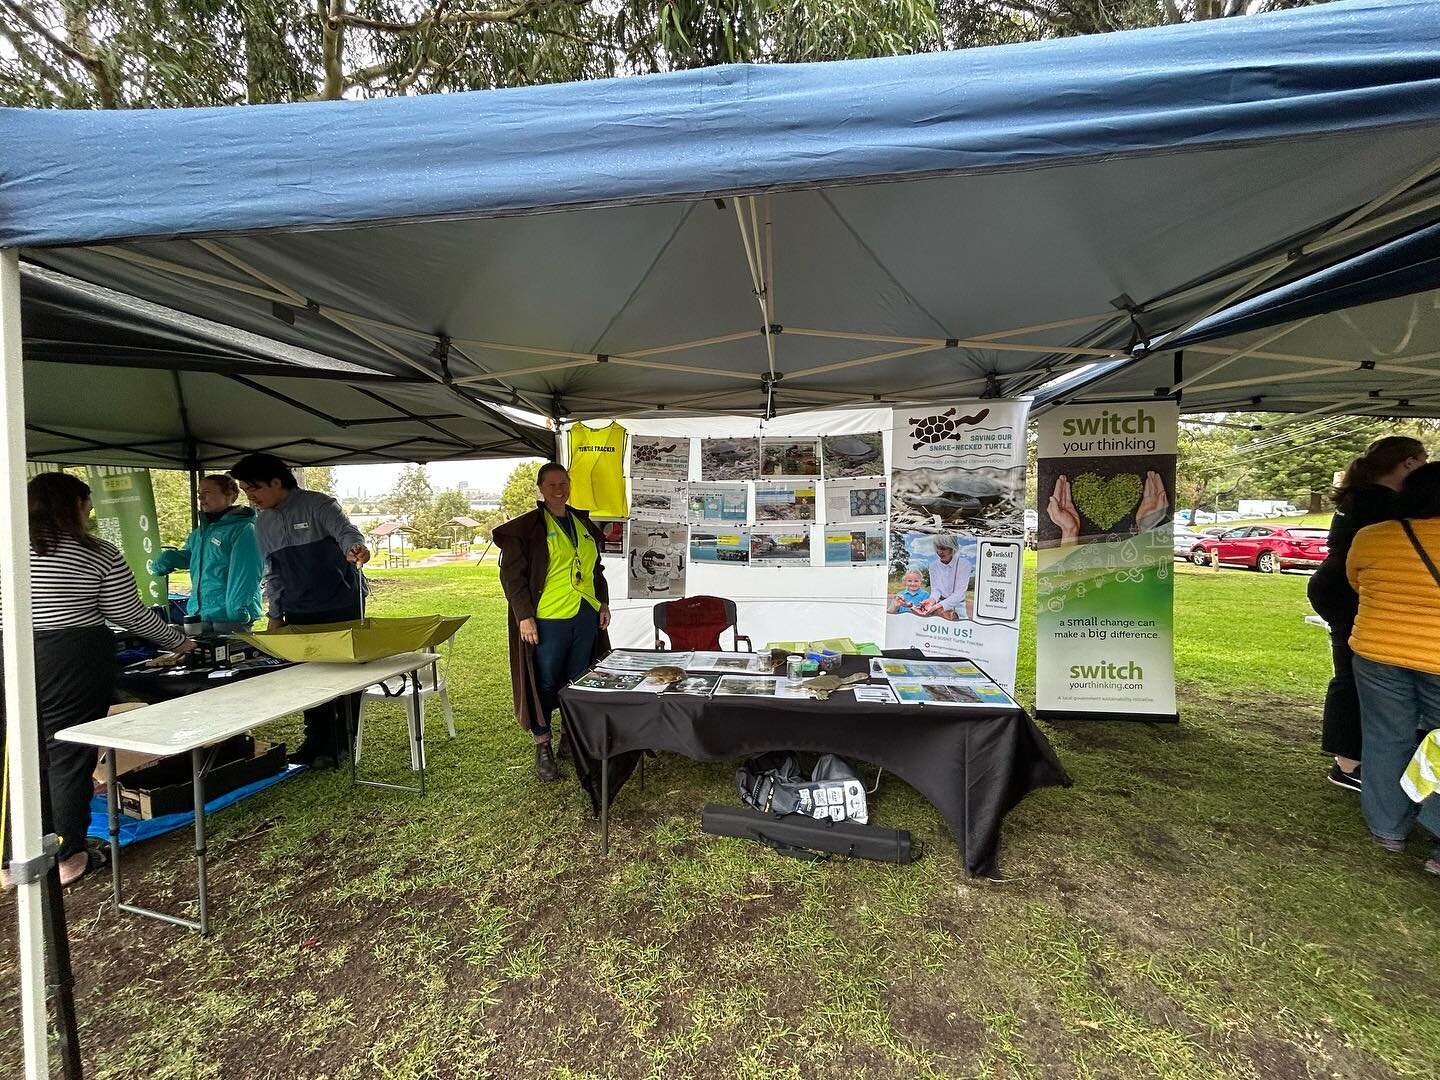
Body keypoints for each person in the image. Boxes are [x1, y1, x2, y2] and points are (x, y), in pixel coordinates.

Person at [4, 473, 192, 887]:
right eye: (86, 505)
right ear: (73, 506)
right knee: (67, 751)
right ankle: (67, 854)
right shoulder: (95, 552)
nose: (90, 513)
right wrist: (179, 642)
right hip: (70, 655)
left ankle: (11, 856)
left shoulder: (5, 544)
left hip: (10, 650)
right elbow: (129, 612)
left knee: (14, 753)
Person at [230, 454, 370, 769]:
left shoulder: (318, 505)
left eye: (254, 488)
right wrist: (275, 617)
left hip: (341, 603)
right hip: (299, 610)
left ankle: (343, 741)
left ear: (277, 482)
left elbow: (347, 532)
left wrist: (356, 549)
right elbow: (273, 573)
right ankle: (314, 741)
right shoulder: (262, 523)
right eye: (245, 490)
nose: (250, 496)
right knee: (309, 677)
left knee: (345, 675)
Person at [1309, 436, 1426, 792]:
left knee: (1353, 671)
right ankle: (1348, 762)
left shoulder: (1361, 495)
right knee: (1353, 675)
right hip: (1349, 591)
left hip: (1339, 587)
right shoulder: (1384, 503)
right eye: (1424, 460)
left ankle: (1354, 755)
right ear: (1408, 463)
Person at [494, 462, 612, 782]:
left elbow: (595, 570)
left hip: (583, 614)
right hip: (548, 618)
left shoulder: (581, 523)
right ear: (540, 488)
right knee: (544, 682)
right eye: (552, 485)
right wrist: (524, 616)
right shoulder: (529, 527)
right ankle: (542, 744)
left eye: (564, 483)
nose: (559, 490)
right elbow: (512, 576)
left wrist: (602, 603)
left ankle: (568, 740)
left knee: (576, 679)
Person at [1346, 461, 1440, 861]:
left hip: (1378, 652)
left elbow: (1356, 580)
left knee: (1386, 737)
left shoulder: (1372, 537)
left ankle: (1388, 828)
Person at [147, 474, 263, 635]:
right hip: (200, 612)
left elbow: (246, 574)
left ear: (230, 495)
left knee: (228, 658)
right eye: (199, 493)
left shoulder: (244, 530)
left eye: (207, 492)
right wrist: (170, 558)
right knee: (203, 657)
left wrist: (235, 610)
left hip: (230, 616)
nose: (200, 497)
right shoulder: (200, 532)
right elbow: (193, 558)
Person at [913, 535, 970, 620]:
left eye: (943, 548)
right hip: (938, 605)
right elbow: (936, 590)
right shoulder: (933, 566)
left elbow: (959, 594)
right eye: (937, 548)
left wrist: (939, 606)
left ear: (952, 548)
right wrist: (931, 601)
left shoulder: (964, 564)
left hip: (958, 607)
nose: (939, 552)